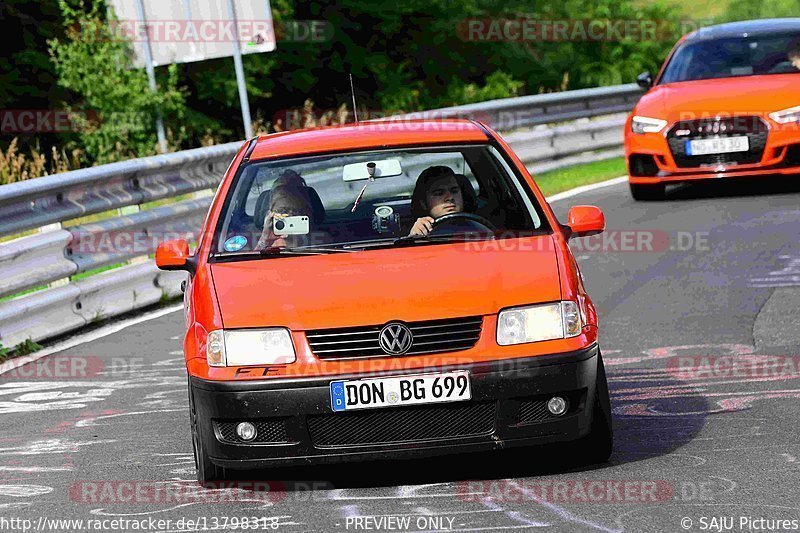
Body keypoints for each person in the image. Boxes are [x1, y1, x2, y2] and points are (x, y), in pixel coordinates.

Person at [408, 165, 477, 236]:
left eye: (454, 191)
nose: (449, 197)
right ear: (424, 203)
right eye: (439, 193)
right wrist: (415, 236)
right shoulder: (420, 229)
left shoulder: (482, 225)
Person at [255, 170, 315, 250]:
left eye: (295, 211)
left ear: (305, 212)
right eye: (283, 212)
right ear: (270, 214)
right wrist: (265, 239)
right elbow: (251, 261)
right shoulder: (266, 244)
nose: (290, 216)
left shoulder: (323, 241)